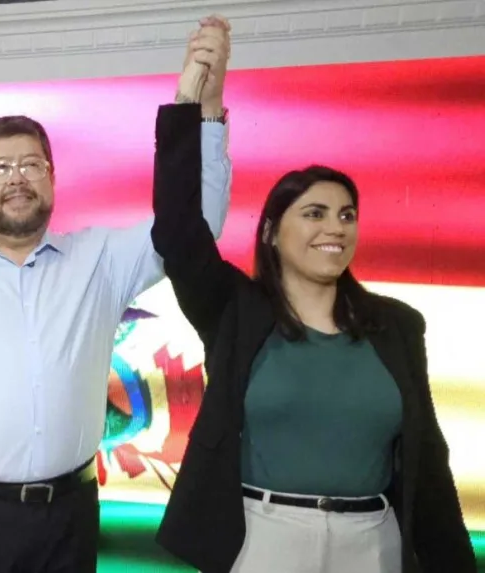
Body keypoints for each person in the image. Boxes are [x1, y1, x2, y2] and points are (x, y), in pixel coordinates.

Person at [0, 20, 233, 573]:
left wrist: (205, 114)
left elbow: (195, 228)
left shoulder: (101, 259)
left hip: (69, 516)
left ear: (52, 177)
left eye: (31, 165)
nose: (16, 179)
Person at [151, 16, 476, 573]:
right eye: (315, 213)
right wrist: (197, 104)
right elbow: (179, 231)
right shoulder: (237, 311)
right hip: (264, 540)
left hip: (372, 544)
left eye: (347, 215)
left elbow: (428, 458)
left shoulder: (397, 325)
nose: (335, 228)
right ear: (272, 233)